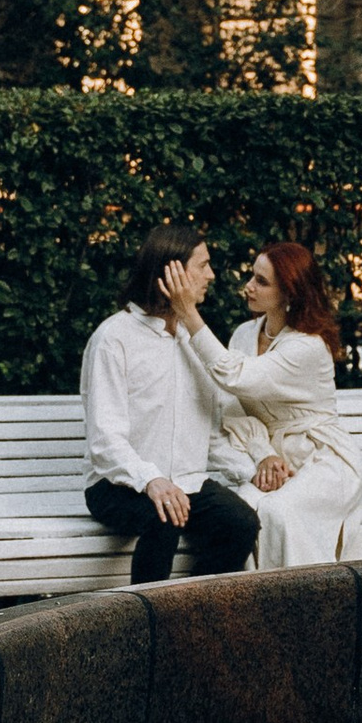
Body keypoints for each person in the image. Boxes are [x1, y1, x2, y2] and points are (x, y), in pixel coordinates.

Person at [78, 223, 263, 588]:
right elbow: (105, 440)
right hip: (118, 485)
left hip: (187, 484)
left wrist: (251, 470)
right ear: (173, 271)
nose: (211, 274)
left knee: (241, 523)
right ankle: (145, 631)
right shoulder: (114, 338)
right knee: (164, 517)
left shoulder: (194, 341)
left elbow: (209, 434)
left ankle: (190, 612)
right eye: (203, 265)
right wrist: (152, 480)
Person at [165, 240, 362, 568]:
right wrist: (264, 454)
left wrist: (188, 313)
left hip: (324, 461)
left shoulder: (308, 347)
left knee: (278, 511)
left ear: (289, 293)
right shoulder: (245, 334)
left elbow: (235, 376)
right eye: (251, 276)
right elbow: (232, 407)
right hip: (275, 462)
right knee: (241, 514)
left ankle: (304, 606)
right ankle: (251, 610)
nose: (248, 287)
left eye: (262, 281)